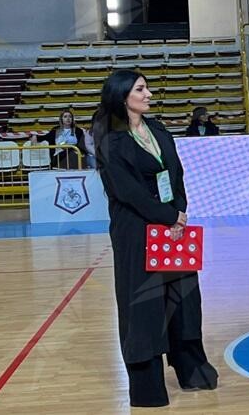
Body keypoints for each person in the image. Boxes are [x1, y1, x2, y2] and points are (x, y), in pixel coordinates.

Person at [93, 70, 217, 407]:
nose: (148, 94)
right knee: (143, 306)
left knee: (184, 300)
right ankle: (147, 385)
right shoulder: (110, 139)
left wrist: (179, 211)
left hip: (172, 227)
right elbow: (127, 191)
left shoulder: (158, 130)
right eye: (140, 89)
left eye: (146, 88)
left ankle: (191, 368)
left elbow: (176, 174)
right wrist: (167, 217)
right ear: (122, 97)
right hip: (136, 231)